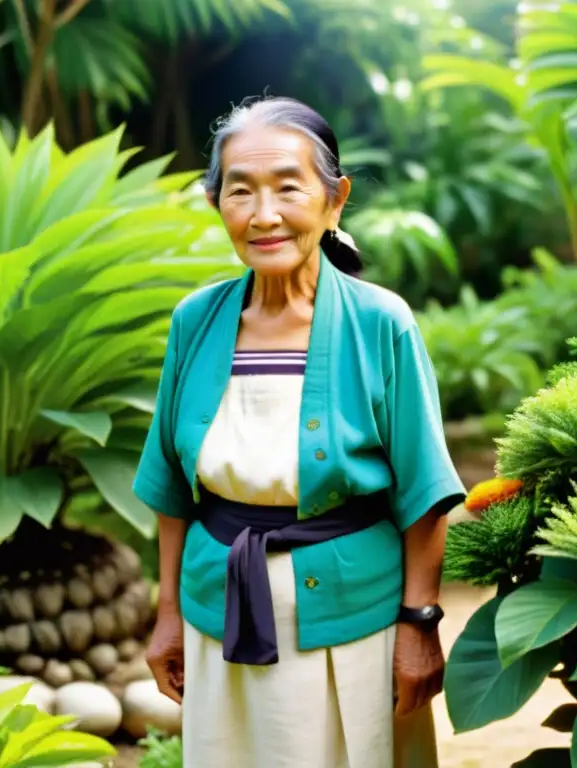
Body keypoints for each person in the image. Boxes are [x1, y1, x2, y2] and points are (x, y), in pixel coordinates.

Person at [132, 95, 466, 768]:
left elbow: (425, 492)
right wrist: (166, 612)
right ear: (214, 203)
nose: (264, 215)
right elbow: (172, 487)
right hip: (215, 615)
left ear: (334, 199)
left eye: (288, 187)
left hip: (355, 626)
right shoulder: (194, 323)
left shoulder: (381, 323)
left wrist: (420, 624)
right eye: (240, 191)